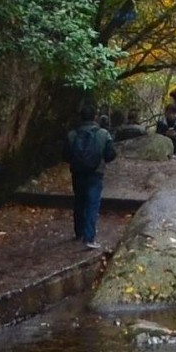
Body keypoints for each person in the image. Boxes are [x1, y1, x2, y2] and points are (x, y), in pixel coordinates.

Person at [64, 103, 118, 249]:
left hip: (77, 172)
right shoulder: (103, 134)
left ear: (80, 117)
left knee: (79, 201)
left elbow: (66, 155)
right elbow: (110, 154)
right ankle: (89, 238)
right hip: (96, 173)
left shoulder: (72, 134)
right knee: (92, 203)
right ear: (95, 117)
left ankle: (79, 232)